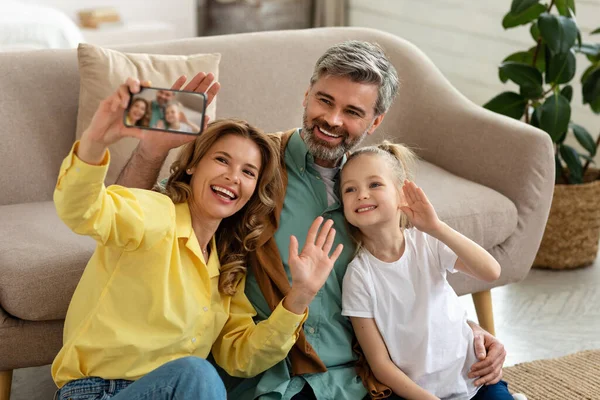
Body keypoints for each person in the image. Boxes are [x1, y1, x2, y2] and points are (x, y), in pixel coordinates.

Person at [115, 43, 508, 399]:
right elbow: (136, 214)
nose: (333, 119)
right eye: (325, 100)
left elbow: (409, 273)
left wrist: (466, 331)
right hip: (271, 380)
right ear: (307, 95)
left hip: (363, 381)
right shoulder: (254, 162)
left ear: (374, 122)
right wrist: (151, 148)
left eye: (353, 112)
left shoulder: (376, 187)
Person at [52, 77, 344, 400]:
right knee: (197, 373)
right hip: (97, 393)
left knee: (200, 375)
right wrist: (95, 141)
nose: (233, 177)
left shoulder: (226, 269)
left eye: (248, 172)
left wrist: (300, 295)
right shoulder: (157, 215)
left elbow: (242, 357)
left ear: (253, 192)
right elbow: (85, 211)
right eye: (222, 160)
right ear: (192, 164)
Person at [339, 142, 514, 400]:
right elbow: (381, 365)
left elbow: (491, 271)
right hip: (415, 394)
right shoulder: (358, 276)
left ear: (402, 194)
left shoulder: (428, 242)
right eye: (350, 189)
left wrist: (437, 227)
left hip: (475, 381)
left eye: (374, 184)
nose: (361, 194)